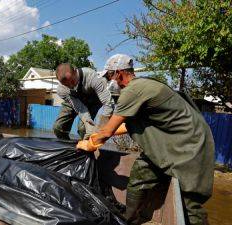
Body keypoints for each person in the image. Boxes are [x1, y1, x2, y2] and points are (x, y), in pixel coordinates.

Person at [79, 54, 214, 225]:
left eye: (109, 76)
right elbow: (125, 126)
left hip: (190, 144)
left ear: (119, 73)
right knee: (139, 173)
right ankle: (130, 219)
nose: (108, 81)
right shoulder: (139, 88)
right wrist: (101, 134)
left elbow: (106, 132)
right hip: (168, 142)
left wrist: (88, 143)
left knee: (190, 202)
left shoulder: (133, 91)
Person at [53, 63, 113, 140]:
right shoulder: (62, 89)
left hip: (92, 101)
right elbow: (79, 107)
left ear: (75, 70)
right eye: (67, 85)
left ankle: (88, 149)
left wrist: (102, 128)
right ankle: (69, 149)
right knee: (58, 128)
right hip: (74, 101)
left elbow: (108, 102)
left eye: (72, 81)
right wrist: (87, 122)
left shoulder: (92, 77)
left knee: (83, 129)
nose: (71, 86)